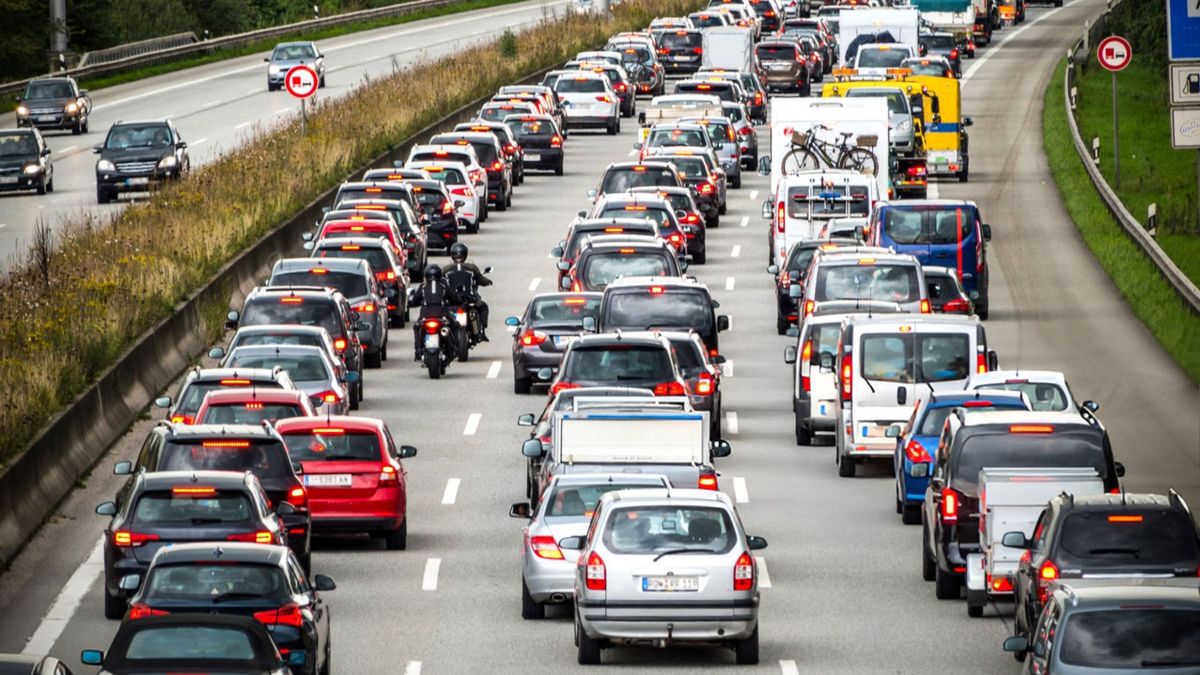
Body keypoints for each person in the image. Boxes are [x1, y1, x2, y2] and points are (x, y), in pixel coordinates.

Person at [442, 242, 492, 341]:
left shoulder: (445, 269)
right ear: (465, 254)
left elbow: (441, 283)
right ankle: (481, 331)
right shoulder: (472, 268)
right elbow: (481, 280)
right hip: (469, 299)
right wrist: (488, 282)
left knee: (444, 312)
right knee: (484, 307)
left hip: (452, 300)